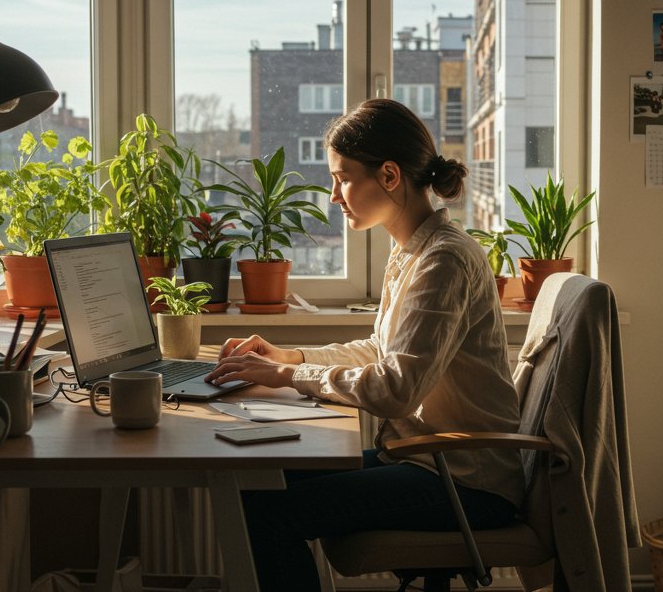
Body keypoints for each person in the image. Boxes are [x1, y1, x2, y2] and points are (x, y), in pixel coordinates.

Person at [204, 98, 523, 592]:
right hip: (426, 459)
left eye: (343, 178)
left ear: (389, 175)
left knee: (270, 514)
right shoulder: (413, 250)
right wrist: (291, 357)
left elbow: (396, 390)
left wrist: (289, 376)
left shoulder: (444, 260)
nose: (334, 195)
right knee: (261, 480)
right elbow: (381, 349)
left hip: (466, 480)